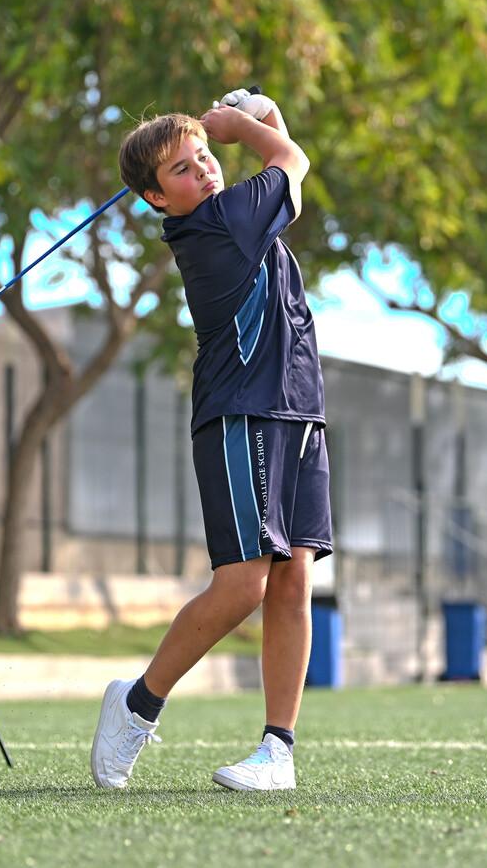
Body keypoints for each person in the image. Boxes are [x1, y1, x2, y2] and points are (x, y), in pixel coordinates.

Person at [90, 89, 330, 792]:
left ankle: (277, 751)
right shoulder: (218, 227)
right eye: (184, 170)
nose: (206, 171)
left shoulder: (240, 217)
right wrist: (242, 125)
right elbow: (291, 159)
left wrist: (261, 114)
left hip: (299, 412)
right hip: (241, 416)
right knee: (243, 586)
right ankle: (136, 706)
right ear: (157, 199)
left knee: (293, 581)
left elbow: (290, 179)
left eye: (206, 158)